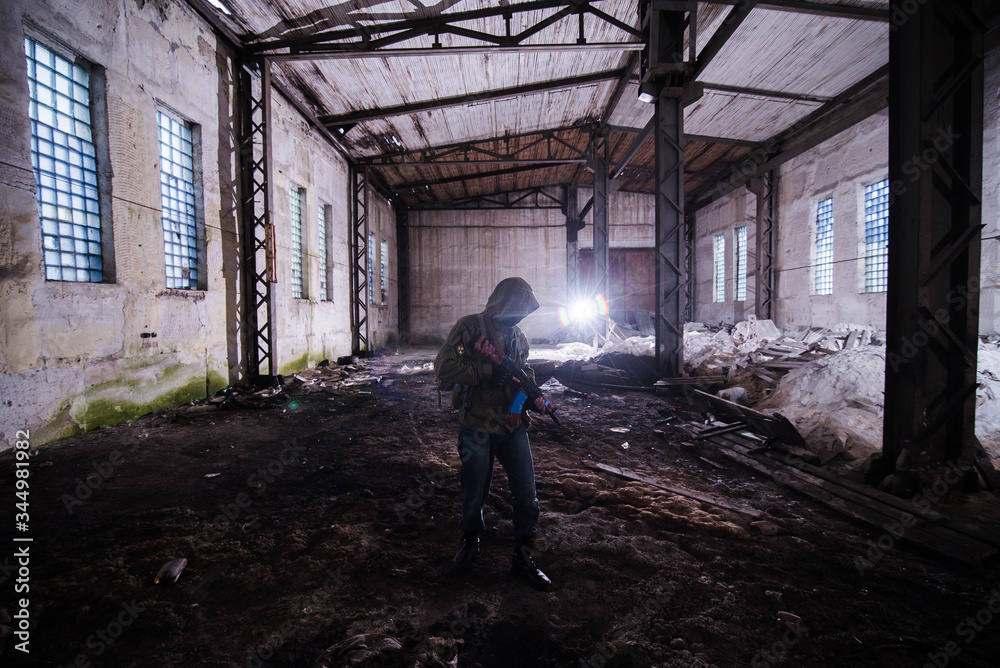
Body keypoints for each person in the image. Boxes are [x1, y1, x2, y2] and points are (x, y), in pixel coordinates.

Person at [433, 277, 553, 591]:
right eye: (518, 309)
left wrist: (533, 397)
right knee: (474, 494)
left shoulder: (519, 337)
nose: (521, 317)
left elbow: (523, 374)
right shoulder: (470, 329)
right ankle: (470, 540)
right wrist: (486, 371)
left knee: (527, 496)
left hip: (513, 426)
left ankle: (524, 556)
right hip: (477, 425)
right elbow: (444, 370)